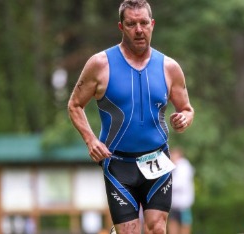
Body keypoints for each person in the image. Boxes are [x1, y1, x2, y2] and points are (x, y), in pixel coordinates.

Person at [68, 0, 194, 233]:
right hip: (118, 165)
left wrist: (185, 118)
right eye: (131, 23)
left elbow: (186, 108)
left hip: (157, 161)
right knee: (129, 230)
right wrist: (91, 140)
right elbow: (75, 105)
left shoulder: (169, 67)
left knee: (157, 227)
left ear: (152, 24)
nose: (139, 29)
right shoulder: (100, 64)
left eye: (144, 23)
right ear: (121, 27)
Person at [168, 148, 195, 234]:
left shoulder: (184, 166)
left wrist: (167, 184)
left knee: (185, 227)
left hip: (183, 205)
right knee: (172, 225)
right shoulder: (172, 166)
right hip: (173, 205)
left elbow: (179, 184)